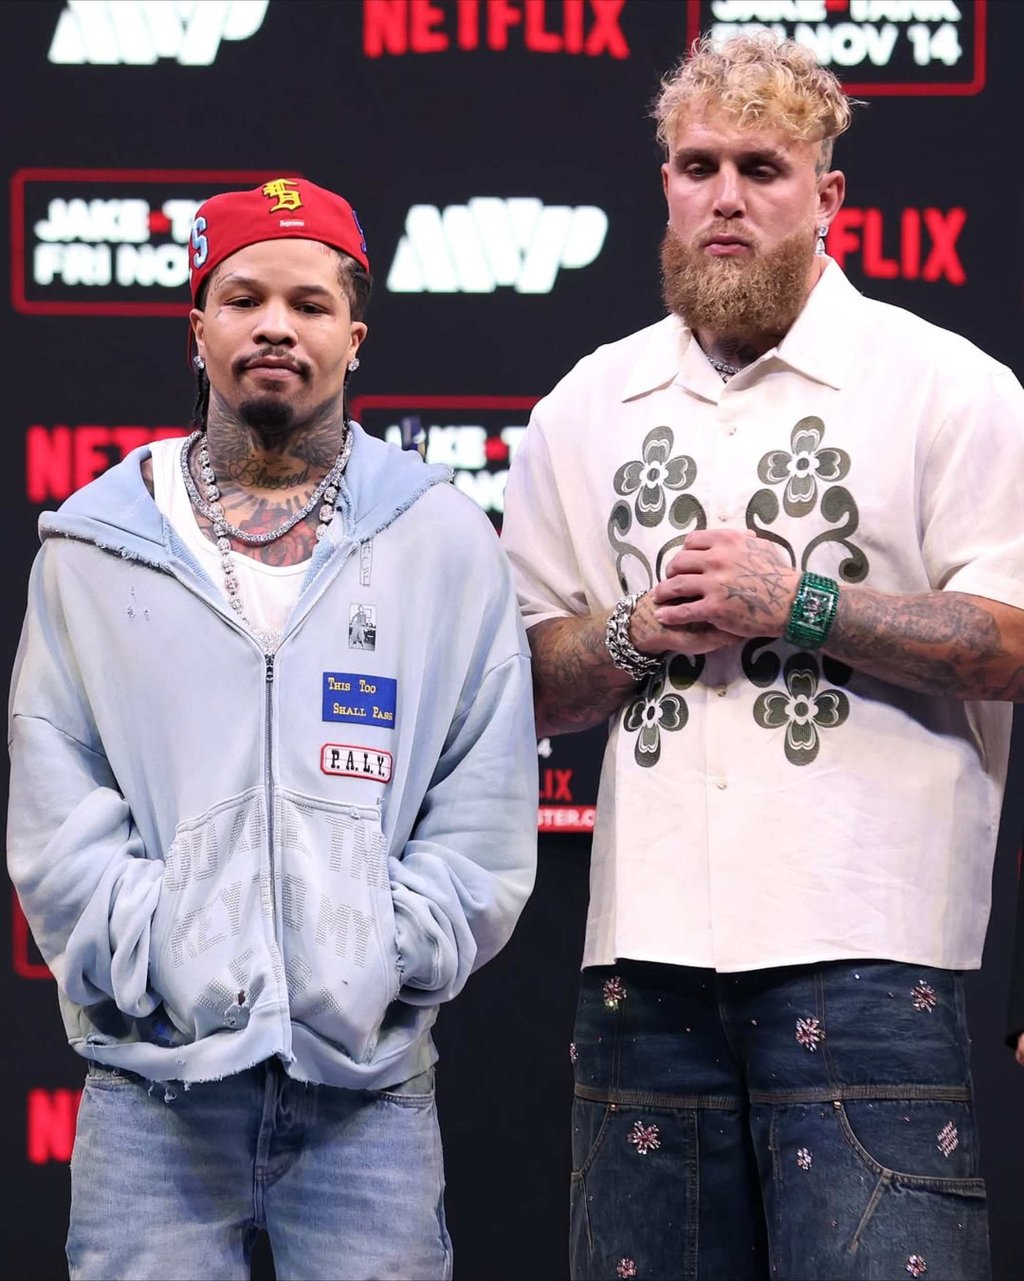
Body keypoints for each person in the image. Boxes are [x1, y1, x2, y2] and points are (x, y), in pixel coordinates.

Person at [501, 32, 1024, 1281]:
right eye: (696, 166)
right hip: (643, 960)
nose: (724, 196)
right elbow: (518, 675)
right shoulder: (585, 404)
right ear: (664, 185)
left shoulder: (945, 388)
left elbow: (1007, 640)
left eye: (761, 167)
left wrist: (801, 605)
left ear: (827, 195)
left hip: (869, 946)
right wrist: (638, 631)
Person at [7, 177, 537, 1281]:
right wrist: (158, 945)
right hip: (152, 1092)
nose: (275, 327)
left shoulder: (439, 537)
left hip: (367, 1095)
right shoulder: (96, 544)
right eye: (243, 298)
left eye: (307, 301)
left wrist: (385, 949)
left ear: (354, 334)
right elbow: (55, 794)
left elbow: (483, 797)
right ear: (197, 329)